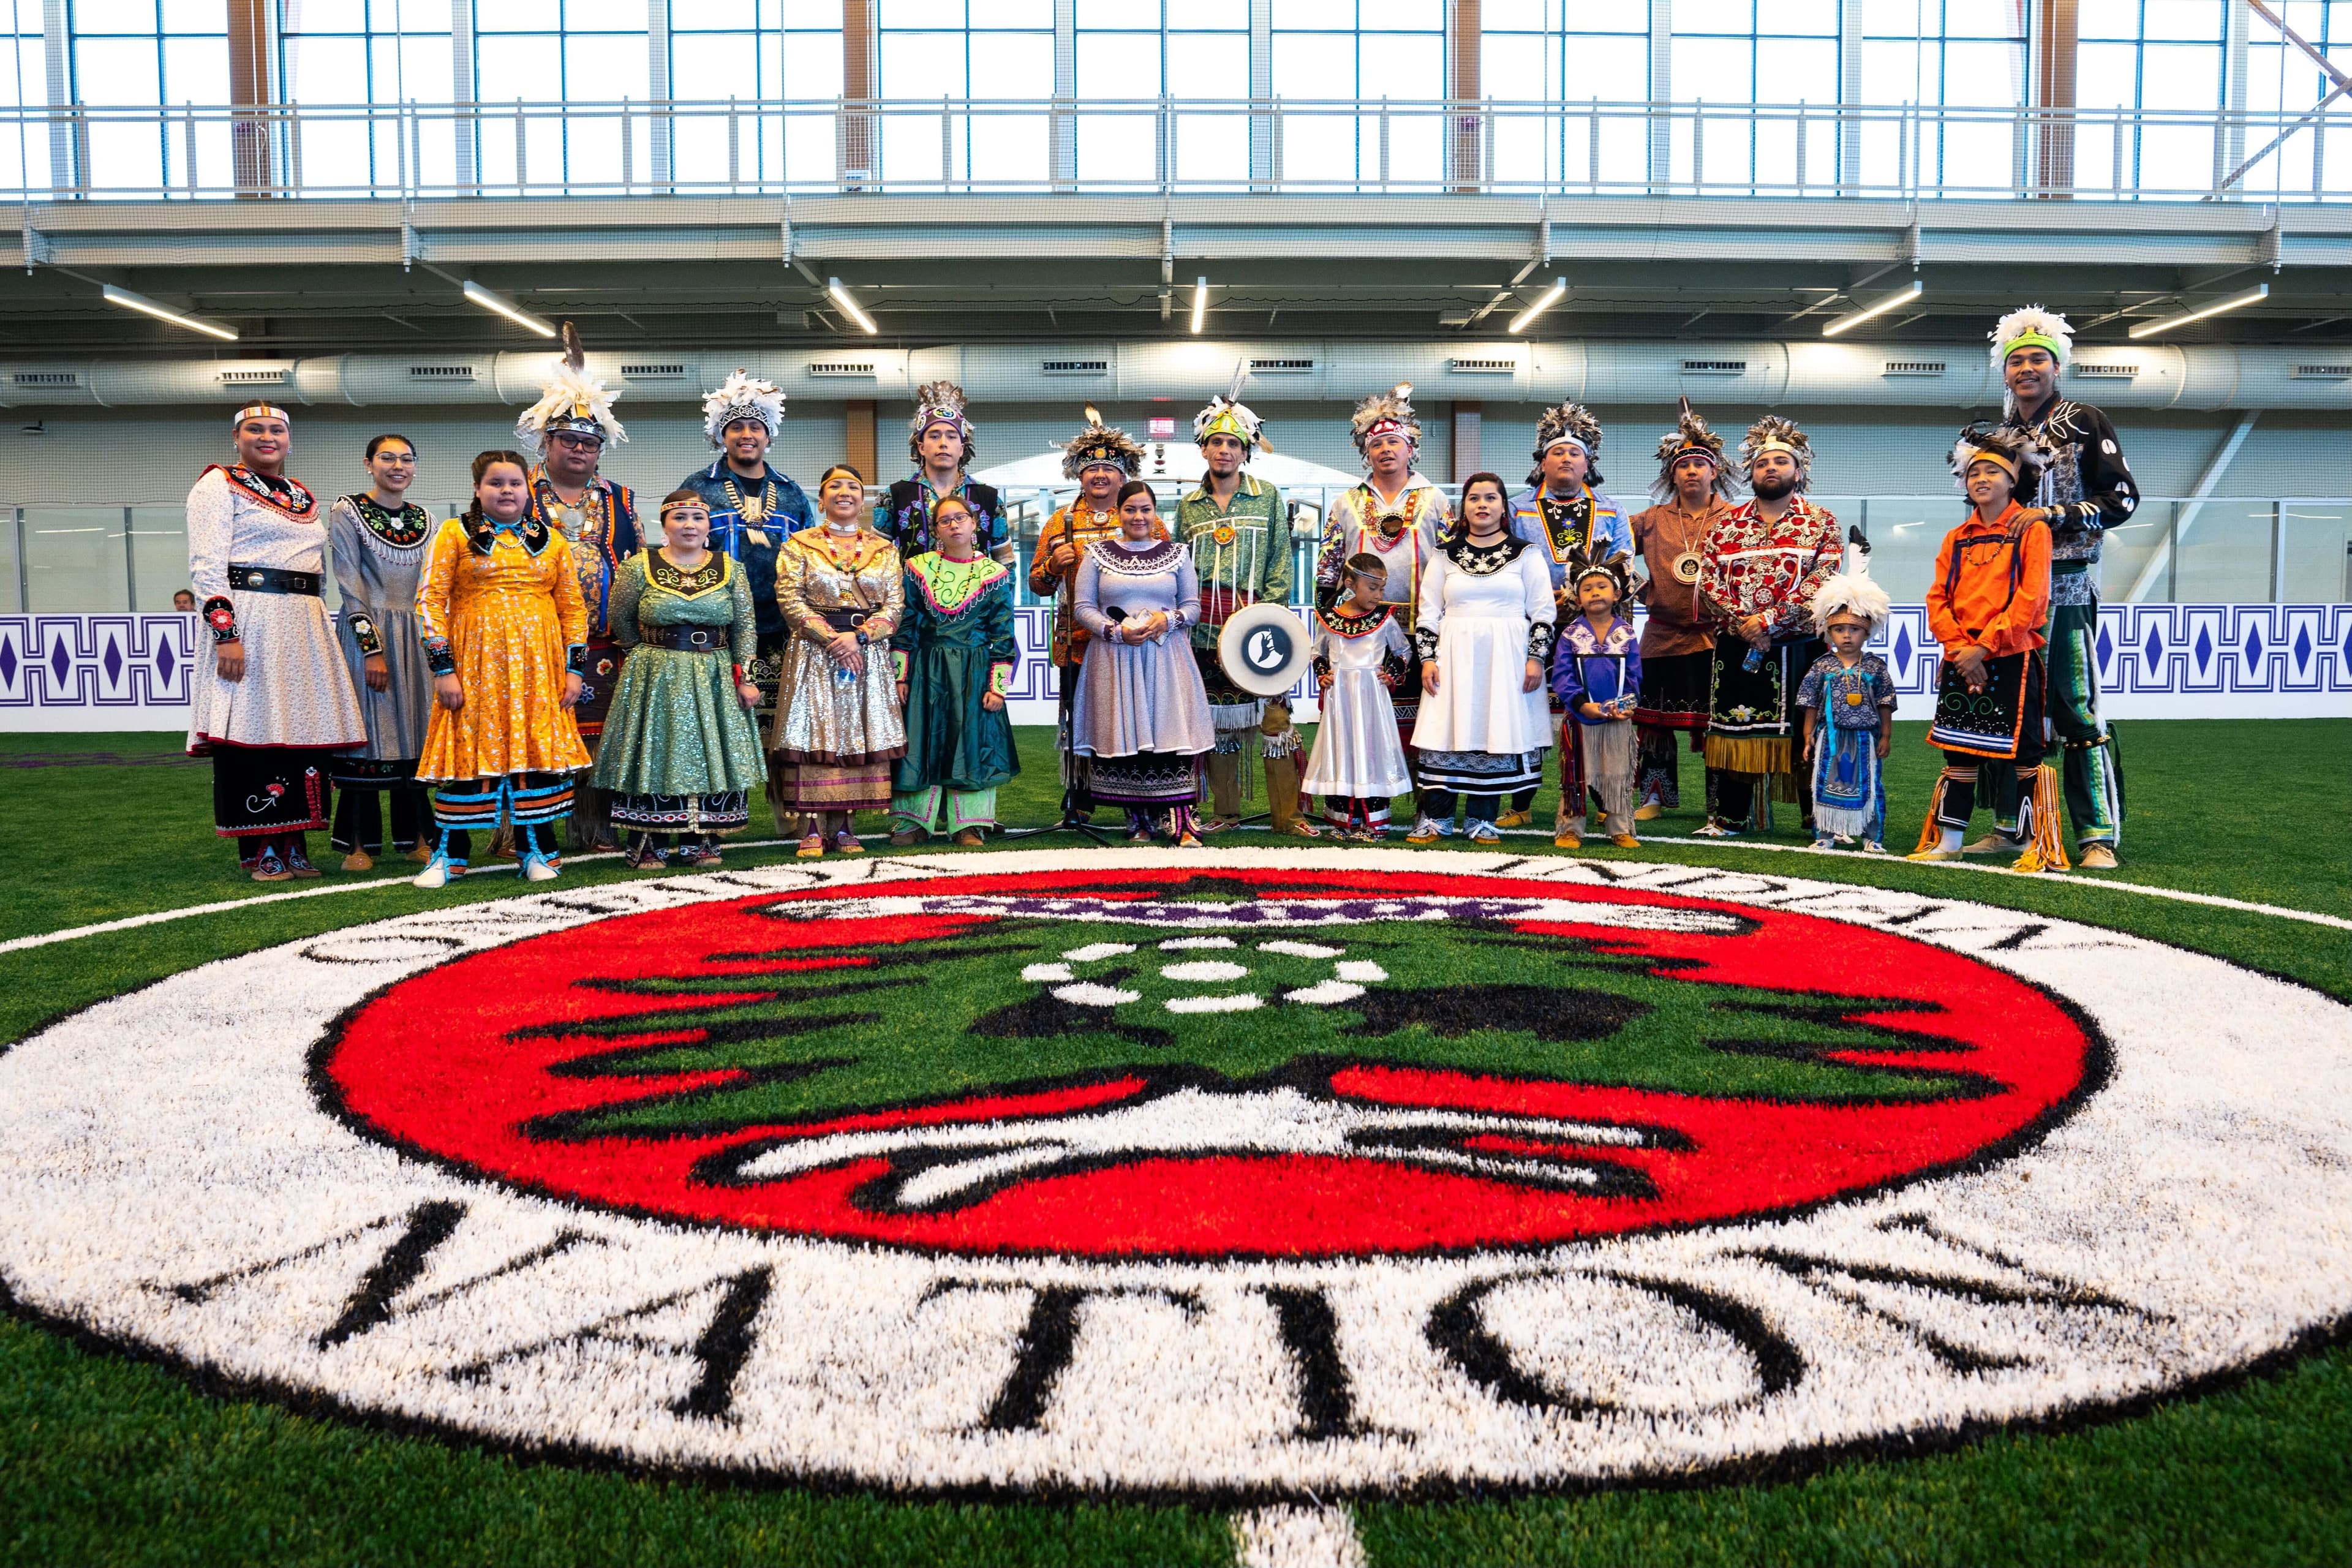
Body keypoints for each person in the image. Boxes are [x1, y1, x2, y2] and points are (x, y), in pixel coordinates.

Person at [185, 404, 367, 881]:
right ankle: (260, 847)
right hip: (251, 616)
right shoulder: (218, 484)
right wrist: (226, 634)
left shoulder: (300, 494)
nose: (267, 437)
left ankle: (293, 842)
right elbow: (207, 565)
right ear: (236, 437)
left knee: (300, 732)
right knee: (254, 728)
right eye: (255, 429)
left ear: (290, 440)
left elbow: (317, 571)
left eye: (277, 430)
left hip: (303, 623)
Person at [1987, 306, 2133, 869]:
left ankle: (2096, 834)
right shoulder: (1998, 437)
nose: (2026, 368)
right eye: (2016, 360)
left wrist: (2056, 513)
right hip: (2003, 588)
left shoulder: (2087, 421)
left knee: (2074, 708)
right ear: (2005, 373)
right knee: (2010, 708)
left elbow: (2123, 502)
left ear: (2056, 366)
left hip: (2066, 585)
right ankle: (2010, 828)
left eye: (2037, 359)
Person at [412, 450, 590, 888]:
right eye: (496, 483)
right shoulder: (454, 534)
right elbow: (430, 601)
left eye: (515, 483)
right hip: (475, 667)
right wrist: (442, 669)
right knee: (465, 749)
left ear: (527, 489)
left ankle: (537, 851)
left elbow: (573, 608)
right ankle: (448, 855)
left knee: (536, 751)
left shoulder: (552, 539)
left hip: (539, 669)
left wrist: (574, 670)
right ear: (477, 489)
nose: (507, 491)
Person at [1909, 426, 2068, 874]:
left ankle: (2032, 842)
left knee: (2024, 754)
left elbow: (2032, 599)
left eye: (1992, 472)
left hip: (2011, 655)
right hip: (1961, 656)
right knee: (1958, 751)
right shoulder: (1955, 538)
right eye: (1974, 472)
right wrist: (1961, 648)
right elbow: (1937, 598)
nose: (1981, 479)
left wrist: (1985, 647)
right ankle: (1950, 841)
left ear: (2013, 480)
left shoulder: (2030, 530)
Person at [595, 491, 767, 870]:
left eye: (697, 518)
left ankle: (701, 840)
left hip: (716, 674)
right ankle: (648, 842)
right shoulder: (639, 566)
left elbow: (745, 629)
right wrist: (652, 655)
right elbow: (621, 620)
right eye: (679, 518)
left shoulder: (731, 568)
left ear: (709, 526)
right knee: (655, 751)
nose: (688, 525)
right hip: (655, 674)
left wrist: (748, 679)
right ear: (665, 524)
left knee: (711, 753)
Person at [516, 323, 638, 853]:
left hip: (604, 640)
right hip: (534, 638)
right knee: (536, 734)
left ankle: (595, 829)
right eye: (569, 440)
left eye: (590, 443)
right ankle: (525, 834)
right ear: (547, 440)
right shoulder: (517, 491)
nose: (580, 450)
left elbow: (633, 566)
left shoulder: (620, 498)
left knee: (601, 740)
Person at [1693, 416, 1843, 837]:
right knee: (1735, 732)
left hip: (1799, 648)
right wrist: (1744, 624)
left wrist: (1770, 621)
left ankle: (1820, 819)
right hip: (1737, 645)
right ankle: (1730, 817)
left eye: (1781, 462)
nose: (1771, 469)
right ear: (1751, 472)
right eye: (1762, 464)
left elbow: (1824, 578)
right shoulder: (1725, 525)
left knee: (1808, 733)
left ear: (1798, 471)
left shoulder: (1821, 522)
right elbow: (1708, 580)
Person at [1316, 385, 1452, 802]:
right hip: (1357, 635)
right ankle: (1359, 805)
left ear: (1411, 448)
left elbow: (1452, 565)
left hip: (1421, 631)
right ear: (1366, 452)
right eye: (1377, 444)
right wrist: (1328, 627)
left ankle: (1425, 809)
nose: (1386, 450)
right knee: (1359, 720)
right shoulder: (1346, 502)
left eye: (1395, 441)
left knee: (1426, 721)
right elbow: (1327, 569)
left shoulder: (1435, 500)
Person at [1406, 472, 1556, 846]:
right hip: (1453, 653)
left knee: (1495, 728)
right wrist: (1427, 659)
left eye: (1491, 498)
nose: (1482, 505)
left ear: (1504, 507)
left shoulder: (1528, 554)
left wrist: (1536, 658)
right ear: (1464, 508)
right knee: (1446, 728)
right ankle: (1437, 819)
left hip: (1508, 656)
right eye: (1474, 498)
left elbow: (1542, 611)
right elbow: (1427, 614)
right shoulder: (1443, 556)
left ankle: (1481, 820)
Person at [1505, 399, 1633, 827]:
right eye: (1556, 451)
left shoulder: (1611, 509)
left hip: (1593, 629)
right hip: (1530, 626)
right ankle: (1520, 805)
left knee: (1593, 711)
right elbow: (1506, 561)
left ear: (1588, 463)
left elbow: (1624, 564)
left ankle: (1599, 801)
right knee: (1528, 708)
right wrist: (1543, 599)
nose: (1565, 458)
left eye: (1574, 452)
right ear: (1542, 462)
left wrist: (1588, 599)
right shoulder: (1517, 508)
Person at [772, 464, 905, 858]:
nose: (844, 492)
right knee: (816, 734)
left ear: (863, 500)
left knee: (858, 735)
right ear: (822, 498)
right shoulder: (799, 545)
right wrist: (832, 639)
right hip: (815, 652)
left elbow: (895, 605)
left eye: (852, 487)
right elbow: (790, 598)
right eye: (835, 486)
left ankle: (847, 826)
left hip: (868, 652)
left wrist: (860, 637)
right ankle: (811, 828)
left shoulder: (884, 550)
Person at [1072, 479, 1215, 845]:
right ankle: (1137, 820)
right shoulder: (1096, 553)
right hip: (1115, 657)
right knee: (1127, 731)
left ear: (1156, 513)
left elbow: (1193, 607)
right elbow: (1083, 607)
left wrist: (1168, 620)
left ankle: (1182, 822)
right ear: (1118, 513)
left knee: (1171, 731)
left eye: (1145, 509)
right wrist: (1114, 631)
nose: (1138, 516)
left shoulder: (1177, 553)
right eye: (1130, 509)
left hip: (1167, 656)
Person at [683, 371, 816, 757]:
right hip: (716, 631)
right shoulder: (699, 487)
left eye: (755, 427)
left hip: (782, 630)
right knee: (718, 730)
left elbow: (810, 559)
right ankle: (719, 817)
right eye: (736, 426)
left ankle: (787, 817)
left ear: (768, 435)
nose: (746, 434)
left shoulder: (792, 494)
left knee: (783, 733)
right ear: (721, 436)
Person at [1177, 393, 1293, 831]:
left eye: (1234, 443)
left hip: (1258, 625)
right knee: (1220, 724)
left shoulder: (1268, 497)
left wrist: (1267, 616)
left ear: (1246, 451)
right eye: (1217, 441)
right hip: (1204, 629)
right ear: (1203, 448)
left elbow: (1279, 561)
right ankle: (1226, 813)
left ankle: (1288, 815)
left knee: (1275, 722)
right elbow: (1179, 567)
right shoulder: (1189, 506)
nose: (1225, 449)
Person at [1028, 412, 1147, 818]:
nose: (1099, 474)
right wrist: (1052, 566)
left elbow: (1166, 570)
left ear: (1123, 475)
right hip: (1076, 641)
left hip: (1130, 639)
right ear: (1078, 475)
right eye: (1091, 467)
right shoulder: (1059, 523)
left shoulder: (1140, 517)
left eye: (1108, 468)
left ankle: (1137, 799)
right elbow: (1037, 584)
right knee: (1079, 720)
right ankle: (1081, 797)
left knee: (1131, 716)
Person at [326, 434, 435, 870]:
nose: (398, 466)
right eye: (387, 458)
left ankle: (419, 837)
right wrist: (371, 650)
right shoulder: (346, 511)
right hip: (367, 628)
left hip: (416, 633)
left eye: (407, 459)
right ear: (368, 463)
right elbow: (350, 585)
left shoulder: (424, 518)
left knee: (416, 729)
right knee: (369, 733)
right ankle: (358, 843)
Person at [889, 494, 1020, 848]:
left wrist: (999, 687)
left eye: (959, 518)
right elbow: (907, 626)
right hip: (926, 668)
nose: (953, 525)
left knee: (971, 739)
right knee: (921, 738)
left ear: (974, 523)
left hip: (974, 669)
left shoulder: (995, 574)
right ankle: (913, 823)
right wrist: (900, 676)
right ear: (936, 529)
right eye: (945, 521)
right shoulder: (918, 567)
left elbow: (1004, 634)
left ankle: (969, 825)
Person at [1629, 399, 1734, 820]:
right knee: (1654, 722)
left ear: (1715, 472)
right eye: (1683, 465)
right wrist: (1639, 589)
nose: (1691, 471)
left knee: (1717, 724)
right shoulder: (1651, 519)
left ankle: (1718, 801)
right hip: (1661, 636)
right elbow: (1612, 552)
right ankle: (1655, 795)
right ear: (1671, 473)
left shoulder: (1735, 518)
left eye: (1699, 464)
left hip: (1717, 637)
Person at [1302, 551, 1414, 840]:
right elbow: (1318, 651)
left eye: (1382, 589)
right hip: (1340, 696)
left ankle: (1374, 823)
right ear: (1350, 584)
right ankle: (1343, 822)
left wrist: (1391, 673)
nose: (1379, 595)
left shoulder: (1384, 619)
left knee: (1371, 749)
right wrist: (1323, 672)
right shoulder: (1328, 620)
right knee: (1342, 748)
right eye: (1372, 588)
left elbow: (1403, 650)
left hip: (1372, 697)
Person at [1797, 561, 1898, 854]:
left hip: (1865, 738)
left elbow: (1885, 703)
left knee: (1870, 787)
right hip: (1829, 736)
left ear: (1866, 633)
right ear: (1830, 633)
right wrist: (1808, 736)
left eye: (1854, 629)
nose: (1847, 636)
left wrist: (1886, 737)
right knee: (1823, 784)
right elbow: (1810, 704)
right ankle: (1825, 835)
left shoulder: (1876, 668)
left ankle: (1872, 837)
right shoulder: (1822, 666)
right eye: (1839, 629)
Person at [1550, 549, 1643, 850]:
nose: (1594, 593)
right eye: (1586, 589)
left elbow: (1634, 674)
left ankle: (1620, 827)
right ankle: (1570, 829)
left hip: (1617, 717)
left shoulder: (1626, 633)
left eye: (1601, 587)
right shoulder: (1571, 635)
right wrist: (1580, 704)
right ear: (1577, 598)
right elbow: (1562, 677)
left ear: (1617, 593)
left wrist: (1627, 705)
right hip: (1581, 718)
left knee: (1617, 775)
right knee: (1576, 776)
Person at [876, 380, 1010, 565]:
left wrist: (999, 594)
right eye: (934, 436)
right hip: (911, 593)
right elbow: (876, 561)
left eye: (952, 436)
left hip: (975, 593)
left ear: (962, 448)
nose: (943, 443)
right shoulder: (893, 496)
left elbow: (1005, 561)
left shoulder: (990, 498)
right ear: (921, 447)